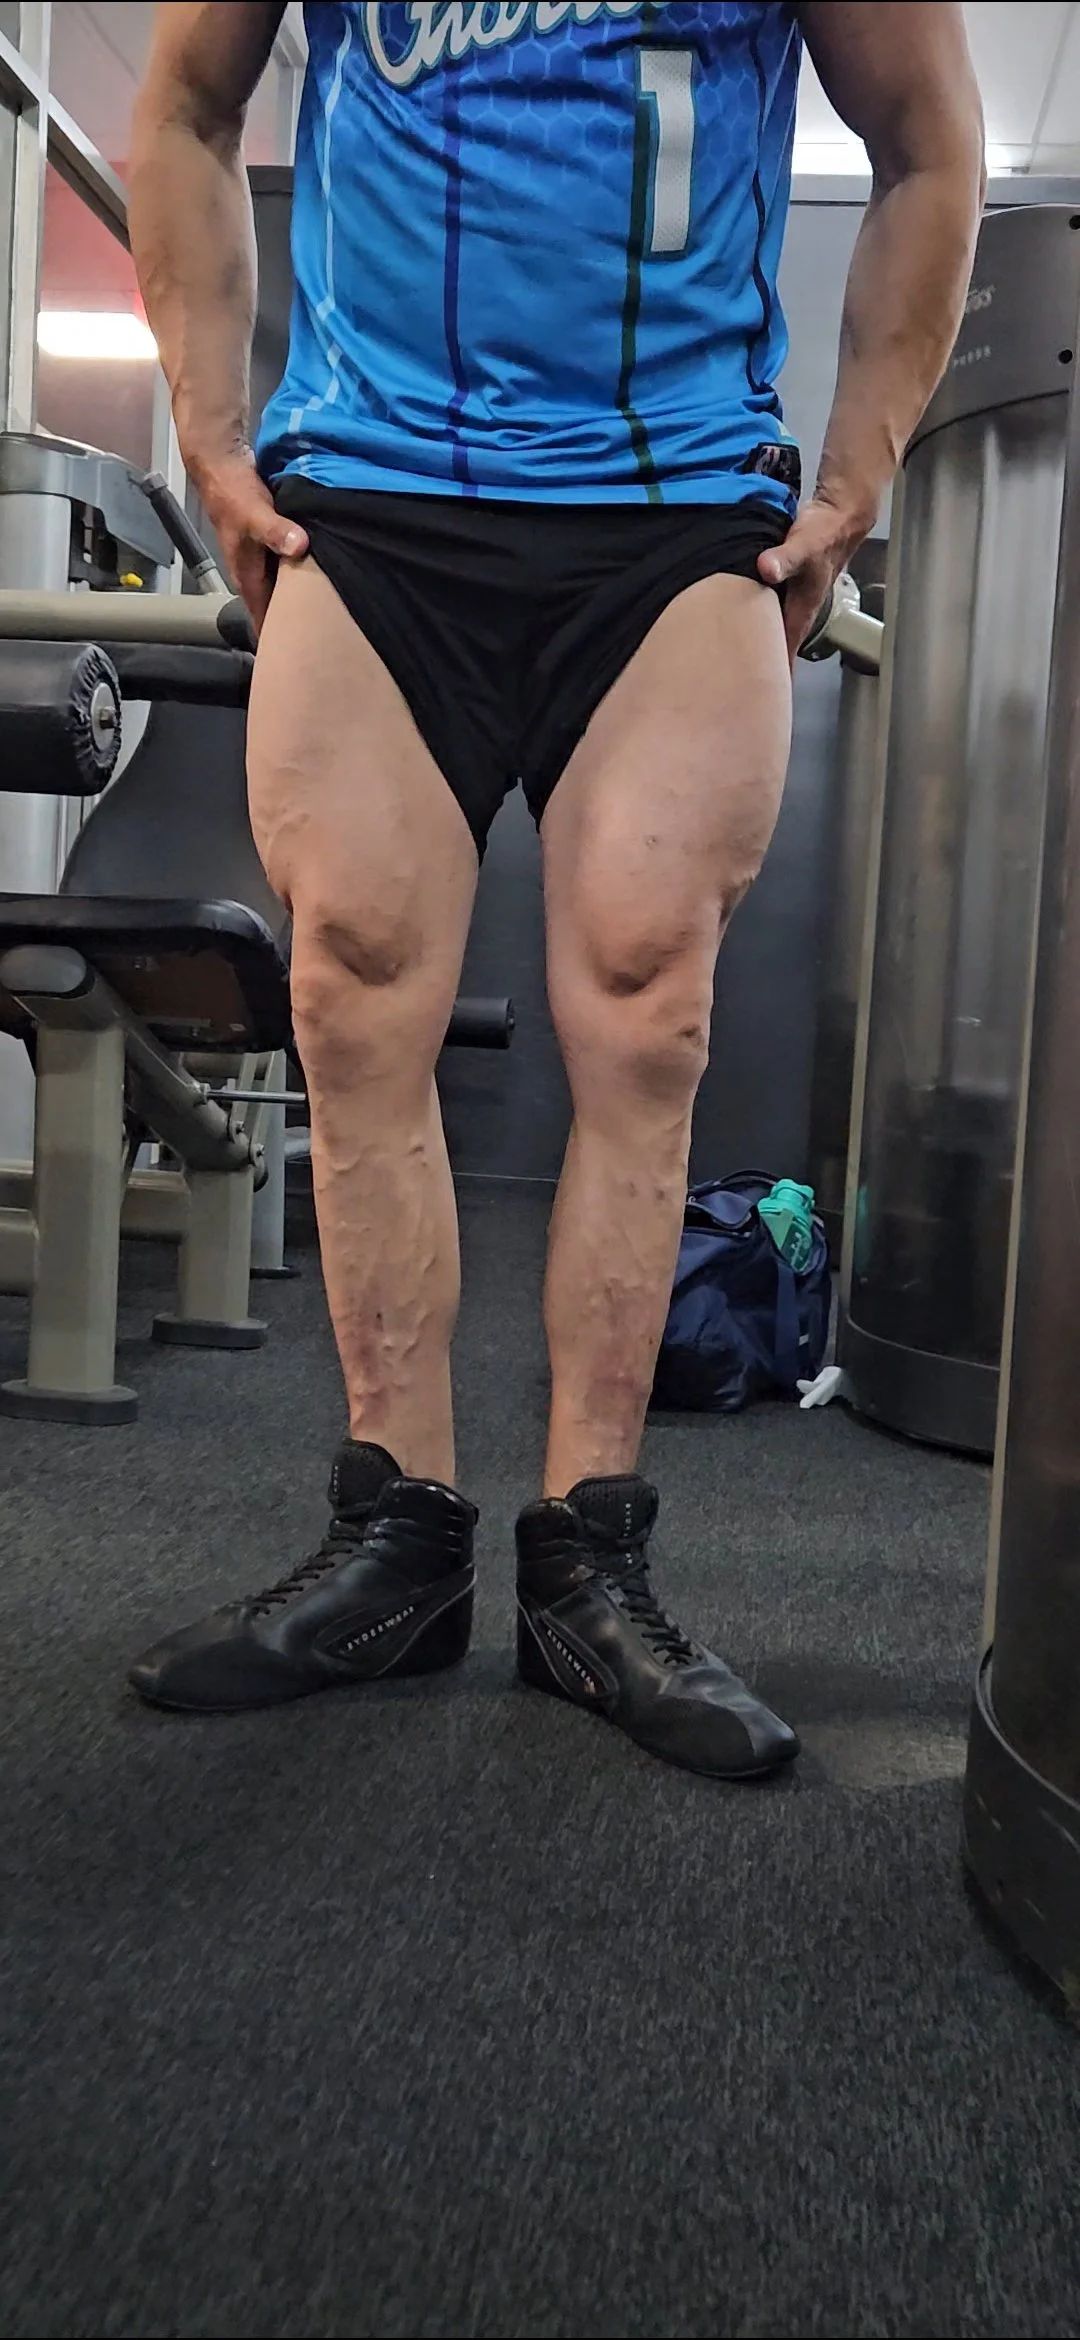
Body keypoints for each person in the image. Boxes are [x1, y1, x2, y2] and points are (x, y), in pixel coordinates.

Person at [126, 1, 983, 1775]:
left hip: (674, 507)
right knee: (351, 987)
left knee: (648, 1009)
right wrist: (209, 438)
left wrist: (855, 480)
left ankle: (589, 1565)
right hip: (374, 494)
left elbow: (928, 142)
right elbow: (188, 101)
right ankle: (398, 1542)